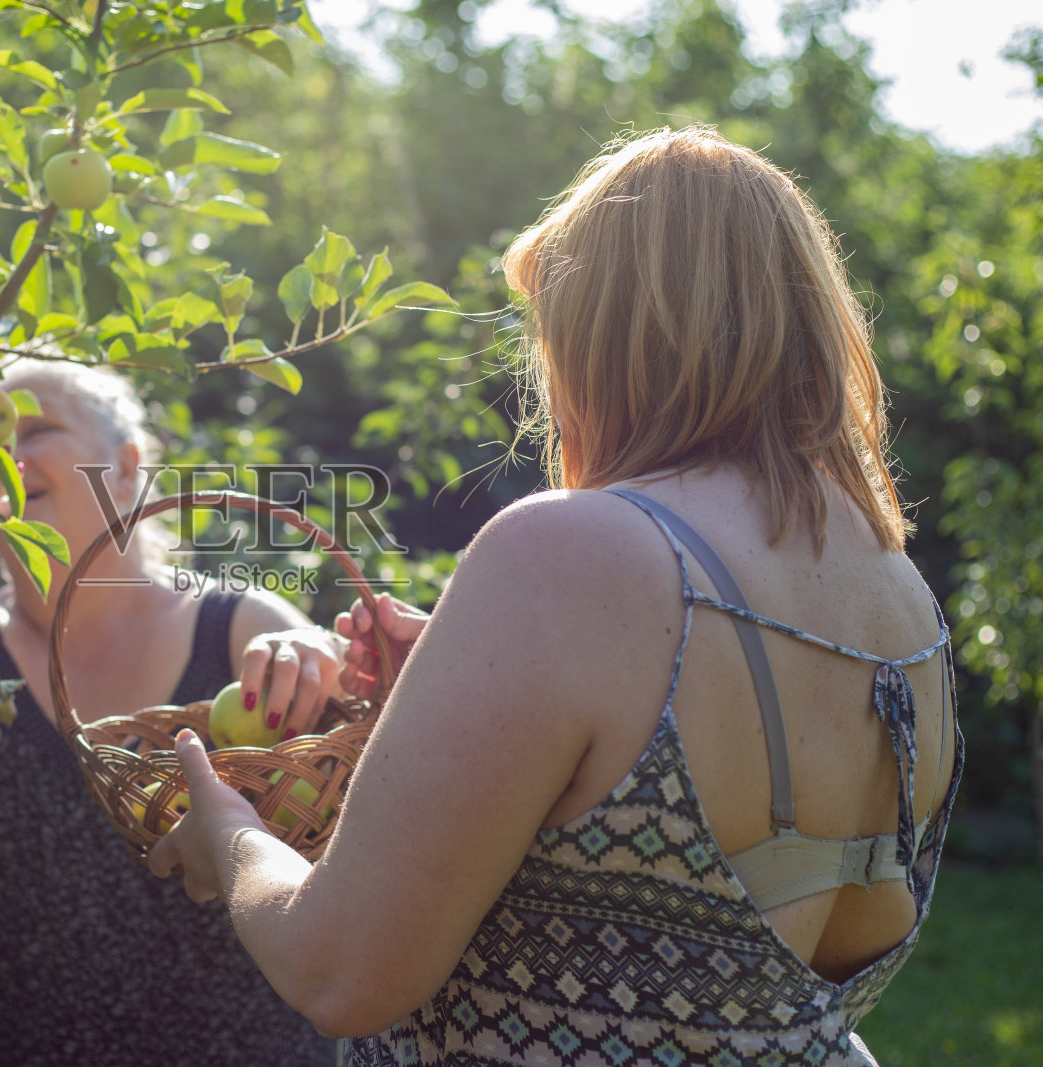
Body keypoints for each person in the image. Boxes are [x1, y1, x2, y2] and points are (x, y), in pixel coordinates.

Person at [150, 126, 962, 1066]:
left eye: (553, 329)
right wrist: (462, 685)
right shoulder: (901, 598)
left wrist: (231, 834)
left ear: (606, 333)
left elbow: (339, 972)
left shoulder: (570, 549)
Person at [0, 359, 337, 1066]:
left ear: (126, 467)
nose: (5, 454)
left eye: (39, 427)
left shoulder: (235, 622)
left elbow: (351, 750)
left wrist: (308, 655)